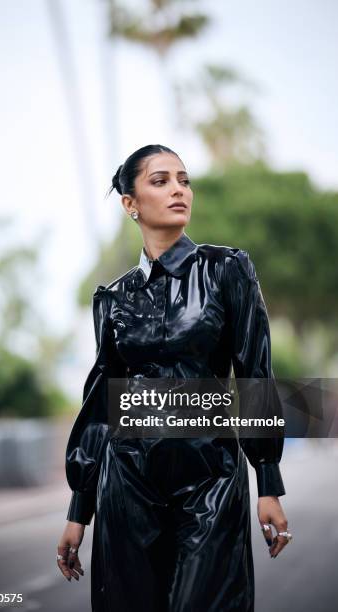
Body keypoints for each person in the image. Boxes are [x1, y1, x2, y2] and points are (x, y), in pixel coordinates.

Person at [56, 144, 291, 611]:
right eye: (160, 181)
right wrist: (79, 509)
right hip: (128, 485)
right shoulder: (113, 298)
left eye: (184, 180)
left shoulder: (227, 270)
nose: (179, 190)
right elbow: (102, 402)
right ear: (131, 203)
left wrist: (268, 482)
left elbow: (254, 374)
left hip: (211, 478)